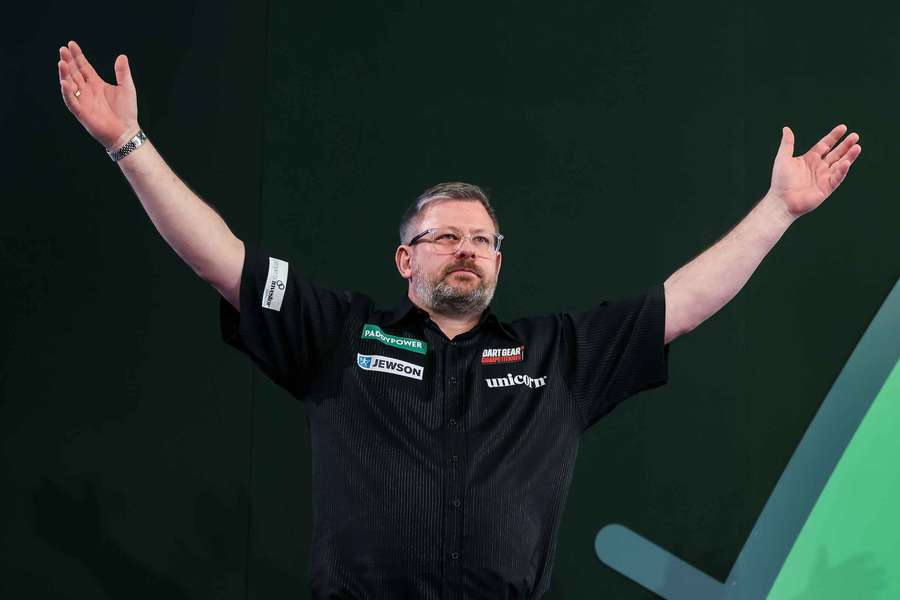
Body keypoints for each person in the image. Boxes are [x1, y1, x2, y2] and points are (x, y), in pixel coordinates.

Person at [57, 40, 861, 599]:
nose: (465, 249)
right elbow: (219, 258)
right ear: (404, 259)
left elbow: (682, 302)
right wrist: (129, 141)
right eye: (443, 237)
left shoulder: (560, 356)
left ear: (500, 260)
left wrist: (779, 211)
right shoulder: (339, 337)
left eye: (482, 239)